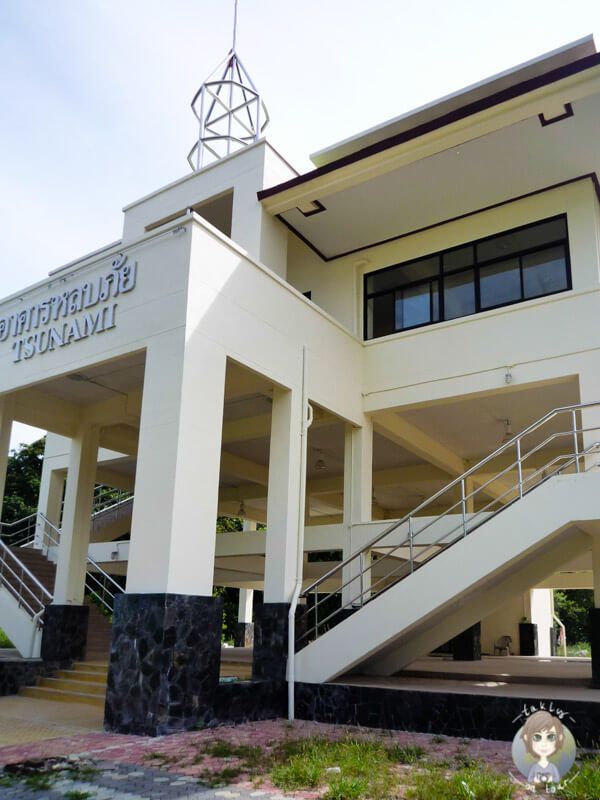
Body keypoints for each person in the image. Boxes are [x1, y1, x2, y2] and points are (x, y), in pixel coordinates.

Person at [520, 710, 564, 785]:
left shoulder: (552, 767)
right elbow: (530, 780)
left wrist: (551, 779)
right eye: (537, 737)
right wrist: (536, 780)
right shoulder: (534, 767)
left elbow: (557, 779)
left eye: (551, 737)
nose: (544, 744)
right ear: (527, 738)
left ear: (559, 738)